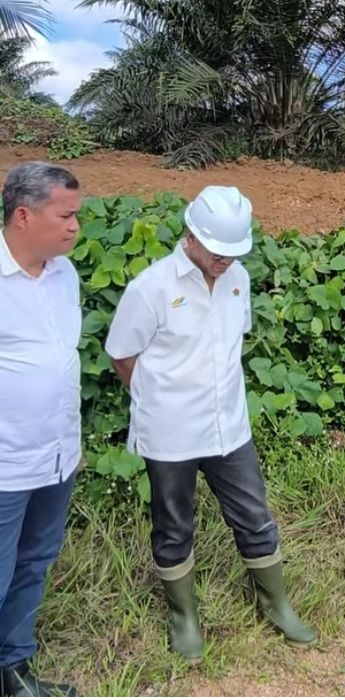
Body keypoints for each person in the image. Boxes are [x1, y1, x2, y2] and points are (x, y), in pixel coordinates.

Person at [104, 185, 316, 663]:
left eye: (233, 251)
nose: (225, 260)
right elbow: (121, 354)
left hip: (229, 428)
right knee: (174, 525)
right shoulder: (152, 289)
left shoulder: (237, 278)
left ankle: (276, 604)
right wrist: (159, 399)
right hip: (171, 433)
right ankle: (184, 618)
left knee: (254, 516)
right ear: (191, 235)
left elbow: (229, 343)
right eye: (217, 250)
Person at [0, 162, 83, 697]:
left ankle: (13, 668)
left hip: (55, 457)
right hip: (4, 464)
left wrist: (69, 442)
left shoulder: (64, 275)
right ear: (24, 216)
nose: (75, 226)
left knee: (33, 564)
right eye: (65, 215)